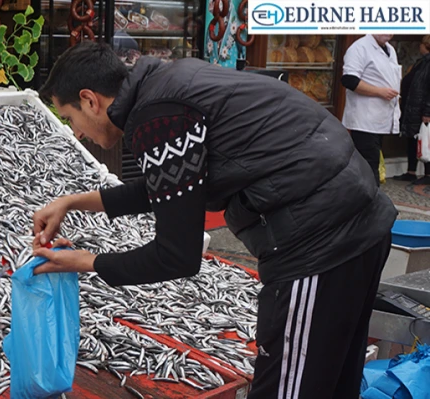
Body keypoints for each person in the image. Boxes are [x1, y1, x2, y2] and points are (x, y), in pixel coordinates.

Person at [31, 42, 397, 398]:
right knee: (332, 382)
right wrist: (74, 202)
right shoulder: (171, 84)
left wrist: (84, 262)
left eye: (71, 118)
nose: (76, 133)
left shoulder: (158, 116)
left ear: (90, 100)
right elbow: (172, 185)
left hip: (320, 242)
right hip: (359, 221)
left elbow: (177, 255)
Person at [341, 34, 402, 187]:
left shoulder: (390, 50)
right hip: (364, 119)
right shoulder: (359, 48)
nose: (389, 32)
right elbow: (349, 80)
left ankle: (369, 202)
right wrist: (379, 92)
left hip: (382, 118)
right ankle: (371, 204)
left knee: (373, 162)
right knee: (368, 165)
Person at [395, 35, 430, 185]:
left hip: (422, 109)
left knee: (425, 140)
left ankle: (428, 173)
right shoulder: (421, 62)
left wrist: (428, 112)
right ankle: (411, 171)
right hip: (413, 107)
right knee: (413, 139)